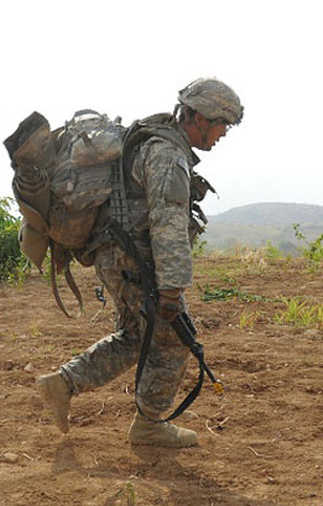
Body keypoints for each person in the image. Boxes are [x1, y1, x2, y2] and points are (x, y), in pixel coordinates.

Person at [37, 78, 243, 448]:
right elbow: (168, 222)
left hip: (116, 256)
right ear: (198, 117)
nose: (223, 133)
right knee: (176, 338)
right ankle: (149, 424)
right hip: (134, 261)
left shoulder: (152, 142)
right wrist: (171, 289)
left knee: (137, 336)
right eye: (221, 124)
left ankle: (63, 383)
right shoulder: (166, 153)